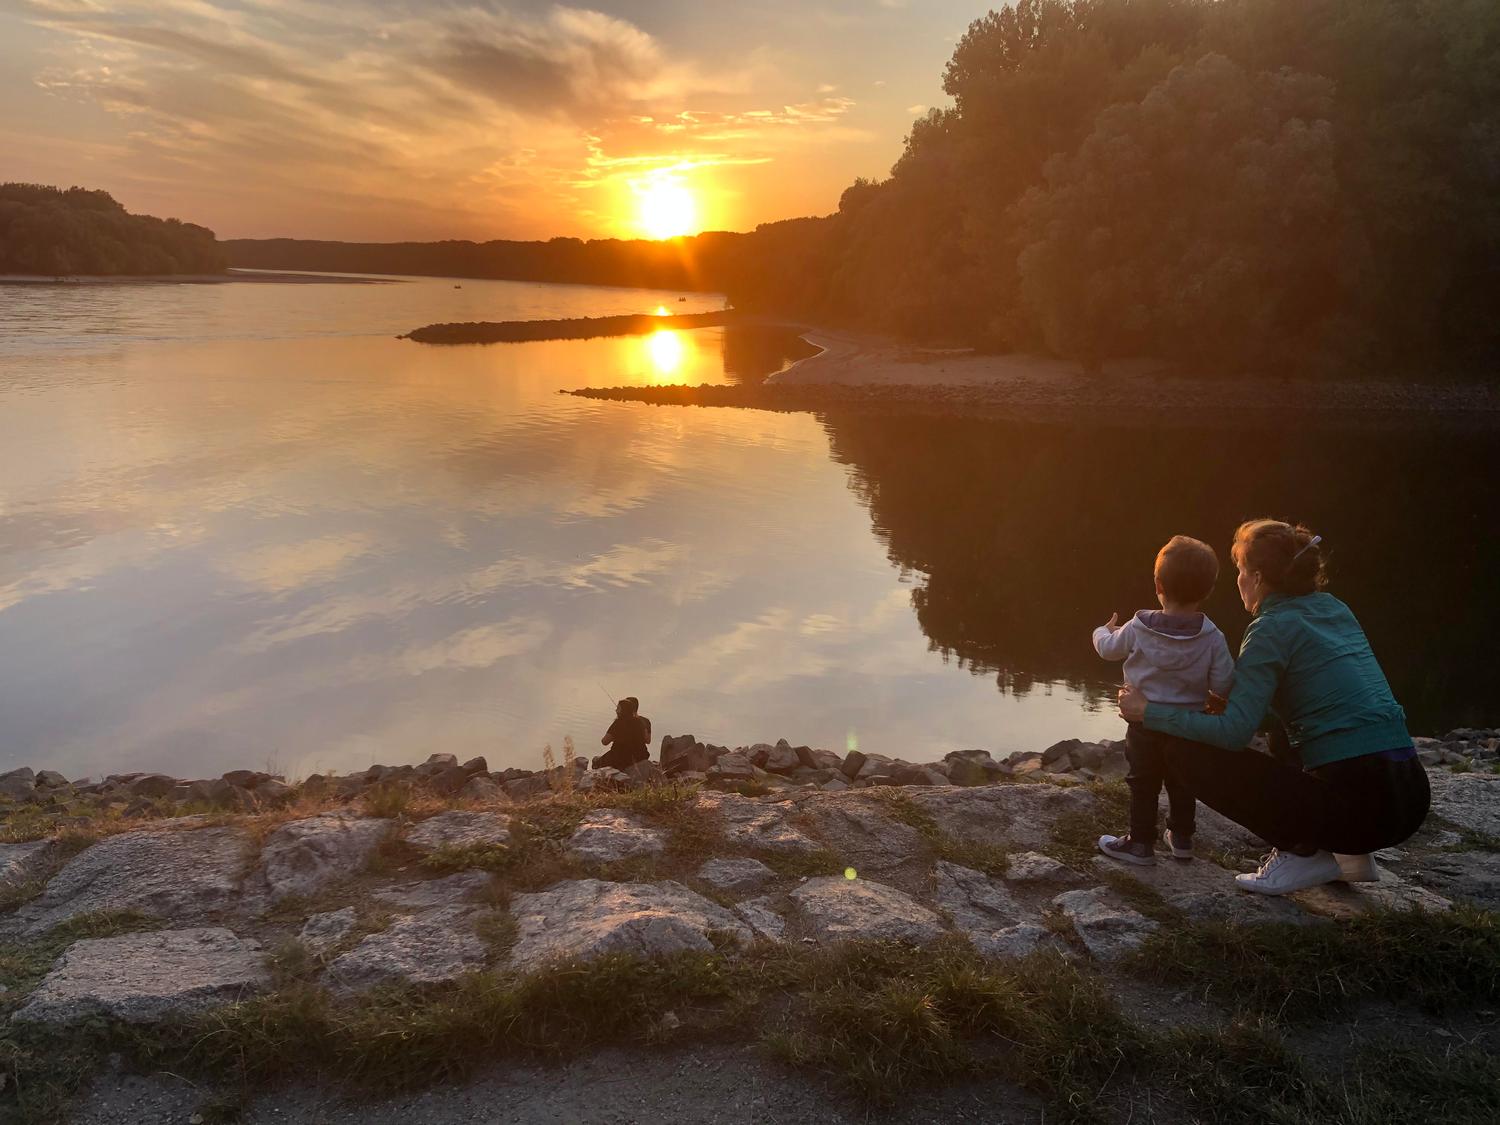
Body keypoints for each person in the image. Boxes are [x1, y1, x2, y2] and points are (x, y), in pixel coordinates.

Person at [1118, 519, 1430, 895]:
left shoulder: (1269, 628)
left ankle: (1302, 852)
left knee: (1182, 752)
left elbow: (1234, 734)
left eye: (1240, 571)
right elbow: (1309, 697)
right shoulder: (1333, 608)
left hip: (1361, 809)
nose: (1237, 580)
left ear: (1258, 577)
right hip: (1409, 796)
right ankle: (1350, 856)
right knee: (1283, 731)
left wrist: (1148, 711)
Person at [1093, 535, 1235, 866]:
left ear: (1158, 584)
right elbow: (1225, 683)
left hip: (1143, 725)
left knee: (1143, 783)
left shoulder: (1139, 626)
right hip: (1188, 727)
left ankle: (1141, 843)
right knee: (1182, 782)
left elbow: (1108, 649)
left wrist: (1100, 629)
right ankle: (1182, 837)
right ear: (1208, 590)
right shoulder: (1212, 637)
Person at [593, 696, 652, 771]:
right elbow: (647, 740)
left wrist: (615, 736)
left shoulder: (618, 723)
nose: (616, 710)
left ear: (623, 710)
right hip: (641, 756)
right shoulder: (641, 722)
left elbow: (604, 742)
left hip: (621, 758)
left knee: (596, 761)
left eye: (618, 708)